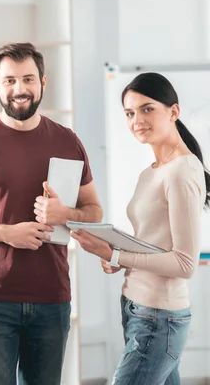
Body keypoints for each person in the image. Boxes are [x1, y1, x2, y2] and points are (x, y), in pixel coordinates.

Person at [0, 42, 103, 385]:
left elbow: (94, 211)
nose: (20, 89)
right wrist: (4, 233)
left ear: (43, 82)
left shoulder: (67, 141)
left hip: (52, 298)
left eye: (28, 79)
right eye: (10, 81)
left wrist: (66, 213)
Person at [71, 72, 209, 384]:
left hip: (159, 316)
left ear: (173, 111)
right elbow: (154, 241)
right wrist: (114, 255)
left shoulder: (183, 171)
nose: (137, 120)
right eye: (130, 113)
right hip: (137, 307)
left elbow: (184, 264)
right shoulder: (152, 172)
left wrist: (117, 254)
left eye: (147, 109)